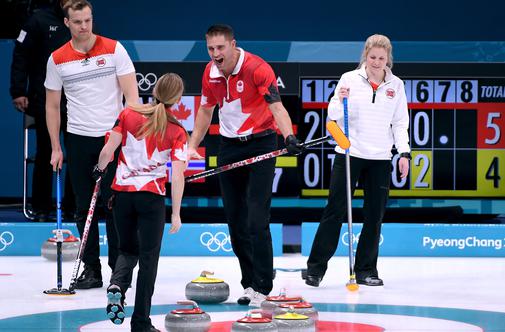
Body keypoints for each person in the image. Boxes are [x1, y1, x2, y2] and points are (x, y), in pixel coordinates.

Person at [188, 24, 304, 306]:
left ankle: (264, 284)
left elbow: (277, 107)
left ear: (233, 44)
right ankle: (249, 283)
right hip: (228, 148)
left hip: (261, 143)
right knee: (236, 220)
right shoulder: (209, 73)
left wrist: (288, 136)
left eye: (220, 48)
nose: (216, 54)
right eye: (211, 49)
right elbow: (205, 111)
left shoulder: (257, 68)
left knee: (256, 218)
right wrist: (192, 145)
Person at [45, 0, 139, 289]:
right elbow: (52, 106)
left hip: (112, 137)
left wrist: (124, 136)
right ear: (67, 23)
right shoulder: (57, 58)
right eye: (77, 22)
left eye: (88, 20)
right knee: (84, 208)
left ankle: (117, 271)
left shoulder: (114, 49)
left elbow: (132, 99)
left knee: (114, 206)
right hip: (78, 139)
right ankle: (92, 270)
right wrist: (55, 147)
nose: (84, 26)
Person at [305, 34, 411, 288]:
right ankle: (315, 269)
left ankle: (366, 270)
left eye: (381, 58)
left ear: (388, 59)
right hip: (349, 154)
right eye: (372, 57)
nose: (376, 62)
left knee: (374, 215)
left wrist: (404, 153)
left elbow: (400, 123)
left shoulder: (396, 85)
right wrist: (339, 100)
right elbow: (331, 118)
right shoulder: (349, 79)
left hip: (380, 158)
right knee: (334, 211)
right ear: (365, 56)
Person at [95, 73, 187, 332]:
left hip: (122, 196)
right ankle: (141, 323)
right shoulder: (177, 130)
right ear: (177, 99)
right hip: (151, 199)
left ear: (154, 90)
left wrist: (99, 171)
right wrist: (176, 213)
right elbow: (178, 176)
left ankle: (118, 285)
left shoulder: (128, 114)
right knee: (148, 260)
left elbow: (107, 152)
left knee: (127, 250)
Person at [10, 0, 74, 222]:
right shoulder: (38, 20)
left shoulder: (82, 20)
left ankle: (73, 208)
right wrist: (18, 90)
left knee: (76, 153)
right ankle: (40, 207)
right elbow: (21, 55)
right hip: (44, 98)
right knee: (47, 151)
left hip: (76, 101)